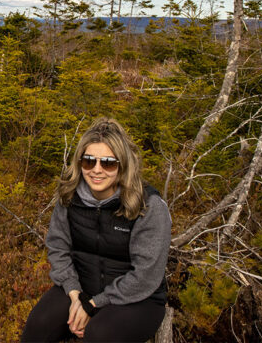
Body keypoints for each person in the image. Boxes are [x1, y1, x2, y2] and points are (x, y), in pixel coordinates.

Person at [21, 117, 171, 342]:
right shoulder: (69, 197)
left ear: (122, 165)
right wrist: (74, 294)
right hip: (82, 288)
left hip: (138, 299)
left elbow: (145, 276)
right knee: (38, 327)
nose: (96, 170)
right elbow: (58, 248)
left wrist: (93, 305)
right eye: (89, 161)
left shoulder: (147, 206)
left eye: (108, 163)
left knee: (99, 335)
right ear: (80, 163)